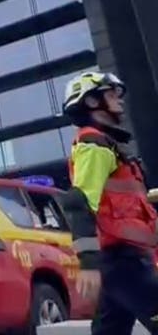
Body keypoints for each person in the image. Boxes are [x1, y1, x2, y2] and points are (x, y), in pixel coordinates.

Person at [59, 71, 158, 335]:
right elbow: (80, 203)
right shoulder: (94, 145)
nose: (120, 100)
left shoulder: (110, 147)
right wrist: (88, 264)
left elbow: (131, 206)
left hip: (124, 259)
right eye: (112, 94)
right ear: (92, 101)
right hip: (122, 261)